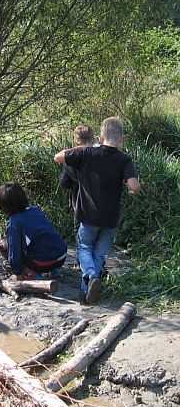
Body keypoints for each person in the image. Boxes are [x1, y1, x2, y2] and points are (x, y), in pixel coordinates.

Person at [54, 117, 141, 303]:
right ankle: (88, 290)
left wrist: (82, 148)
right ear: (121, 138)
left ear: (100, 138)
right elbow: (134, 186)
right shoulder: (124, 159)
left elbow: (58, 157)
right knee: (99, 254)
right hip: (110, 220)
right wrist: (130, 188)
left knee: (84, 249)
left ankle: (92, 275)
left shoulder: (87, 154)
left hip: (87, 217)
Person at [0, 182, 67, 279]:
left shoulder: (14, 223)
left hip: (42, 263)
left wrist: (17, 273)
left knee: (3, 244)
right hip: (61, 256)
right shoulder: (35, 210)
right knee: (41, 242)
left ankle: (30, 273)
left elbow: (14, 252)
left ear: (4, 206)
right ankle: (55, 270)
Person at [59, 125, 95, 235]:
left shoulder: (71, 160)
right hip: (99, 204)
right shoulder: (100, 156)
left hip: (79, 203)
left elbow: (64, 183)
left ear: (76, 140)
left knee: (80, 233)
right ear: (92, 139)